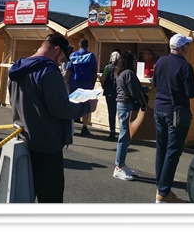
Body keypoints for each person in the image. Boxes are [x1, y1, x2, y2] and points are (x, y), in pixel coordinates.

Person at [8, 33, 98, 203]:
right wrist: (87, 107)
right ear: (56, 50)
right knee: (51, 199)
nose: (60, 62)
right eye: (62, 57)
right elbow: (61, 109)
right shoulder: (48, 70)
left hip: (23, 139)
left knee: (23, 196)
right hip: (46, 145)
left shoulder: (18, 67)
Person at [151, 34, 194, 203]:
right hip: (176, 112)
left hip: (159, 109)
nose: (189, 48)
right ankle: (163, 193)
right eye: (187, 45)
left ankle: (160, 187)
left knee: (161, 149)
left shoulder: (161, 61)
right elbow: (191, 93)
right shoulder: (186, 66)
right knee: (172, 152)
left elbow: (154, 82)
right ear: (182, 48)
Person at [113, 51, 147, 181]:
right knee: (124, 136)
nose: (135, 62)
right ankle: (119, 166)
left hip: (121, 104)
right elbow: (134, 92)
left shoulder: (120, 73)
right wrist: (143, 92)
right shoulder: (129, 73)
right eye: (134, 60)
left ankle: (122, 164)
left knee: (125, 135)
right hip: (127, 105)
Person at [65, 38, 98, 137]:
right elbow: (94, 72)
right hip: (87, 84)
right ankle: (84, 127)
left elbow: (68, 70)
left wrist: (68, 81)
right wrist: (92, 84)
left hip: (74, 83)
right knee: (86, 105)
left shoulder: (73, 55)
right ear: (87, 45)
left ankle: (70, 126)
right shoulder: (91, 56)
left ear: (79, 45)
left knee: (72, 104)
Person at [100, 50, 120, 141]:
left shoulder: (107, 68)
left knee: (111, 112)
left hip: (109, 93)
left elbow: (103, 79)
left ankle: (112, 131)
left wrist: (103, 85)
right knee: (120, 113)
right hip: (119, 92)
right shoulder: (120, 68)